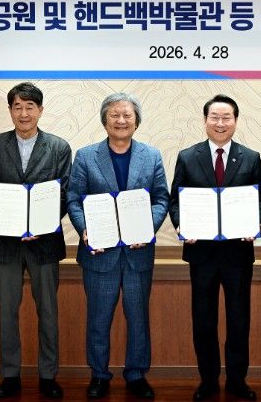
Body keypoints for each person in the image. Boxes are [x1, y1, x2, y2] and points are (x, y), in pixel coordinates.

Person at [0, 82, 71, 399]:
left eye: (30, 107)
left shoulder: (59, 147)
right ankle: (10, 376)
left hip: (44, 243)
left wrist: (45, 222)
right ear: (10, 111)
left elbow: (65, 194)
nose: (24, 113)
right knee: (7, 312)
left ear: (40, 110)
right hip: (6, 244)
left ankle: (48, 376)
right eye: (18, 107)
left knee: (48, 312)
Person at [67, 92, 169, 400]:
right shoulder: (86, 156)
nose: (121, 120)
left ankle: (136, 375)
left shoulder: (151, 155)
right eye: (114, 115)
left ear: (136, 121)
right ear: (105, 120)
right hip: (100, 253)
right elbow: (73, 199)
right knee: (98, 319)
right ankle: (99, 375)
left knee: (138, 318)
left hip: (138, 252)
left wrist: (147, 228)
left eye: (127, 115)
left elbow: (161, 198)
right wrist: (85, 230)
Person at [169, 94, 261, 401]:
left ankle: (237, 380)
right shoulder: (188, 156)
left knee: (239, 320)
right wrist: (181, 224)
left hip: (238, 254)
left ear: (235, 121)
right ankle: (208, 380)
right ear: (205, 120)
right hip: (202, 254)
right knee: (204, 320)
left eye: (226, 118)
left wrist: (255, 220)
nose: (220, 123)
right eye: (215, 117)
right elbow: (175, 200)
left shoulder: (251, 157)